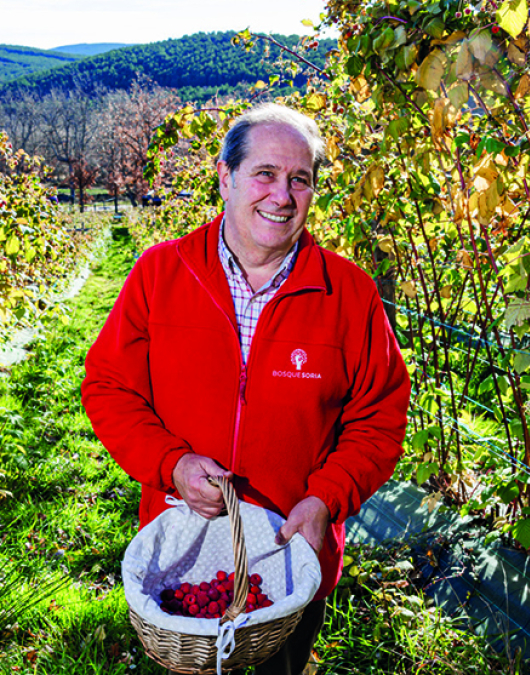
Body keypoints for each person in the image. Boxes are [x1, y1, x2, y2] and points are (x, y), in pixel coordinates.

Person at [82, 103, 410, 674]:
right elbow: (109, 387)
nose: (282, 196)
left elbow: (378, 419)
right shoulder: (161, 274)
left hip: (288, 561)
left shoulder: (349, 294)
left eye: (299, 179)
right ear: (225, 177)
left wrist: (326, 498)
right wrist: (172, 465)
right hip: (183, 553)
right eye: (264, 173)